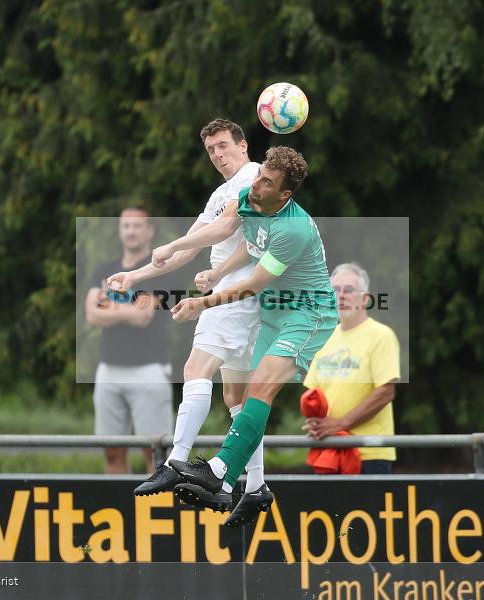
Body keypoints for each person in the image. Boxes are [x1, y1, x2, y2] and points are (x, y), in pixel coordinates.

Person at [165, 146, 338, 527]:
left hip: (307, 314)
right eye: (259, 175)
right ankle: (244, 490)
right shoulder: (250, 197)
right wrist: (209, 267)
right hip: (273, 314)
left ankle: (220, 469)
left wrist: (203, 303)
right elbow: (242, 239)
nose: (256, 184)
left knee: (259, 389)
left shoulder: (293, 229)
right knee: (245, 398)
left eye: (267, 182)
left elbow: (255, 284)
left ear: (285, 195)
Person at [106, 119, 264, 509]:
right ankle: (252, 485)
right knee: (238, 398)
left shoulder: (255, 176)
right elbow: (187, 251)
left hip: (237, 295)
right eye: (211, 150)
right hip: (243, 297)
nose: (218, 155)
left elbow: (221, 229)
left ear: (243, 145)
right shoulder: (220, 192)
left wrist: (176, 245)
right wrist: (136, 275)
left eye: (224, 146)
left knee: (195, 371)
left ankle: (175, 460)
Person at [85, 206, 173, 474]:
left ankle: (155, 514)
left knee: (154, 456)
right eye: (125, 226)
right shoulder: (106, 268)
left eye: (137, 226)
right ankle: (117, 510)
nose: (131, 231)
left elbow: (143, 316)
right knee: (112, 453)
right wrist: (127, 310)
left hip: (149, 372)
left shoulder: (159, 270)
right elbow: (91, 313)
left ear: (149, 231)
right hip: (108, 372)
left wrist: (109, 307)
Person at [301, 263, 400, 474]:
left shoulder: (381, 336)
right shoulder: (322, 338)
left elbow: (385, 392)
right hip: (328, 452)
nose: (341, 296)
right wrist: (315, 421)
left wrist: (341, 423)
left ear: (365, 298)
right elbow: (313, 394)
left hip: (369, 454)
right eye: (335, 290)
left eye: (349, 290)